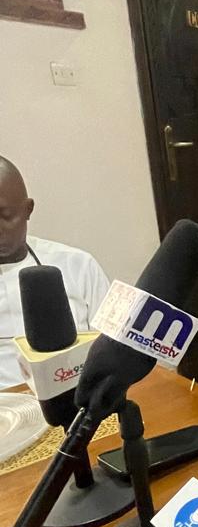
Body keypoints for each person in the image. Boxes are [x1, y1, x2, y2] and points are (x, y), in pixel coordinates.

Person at [0, 156, 110, 389]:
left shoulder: (78, 266)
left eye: (6, 216)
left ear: (28, 209)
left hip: (77, 396)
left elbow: (111, 350)